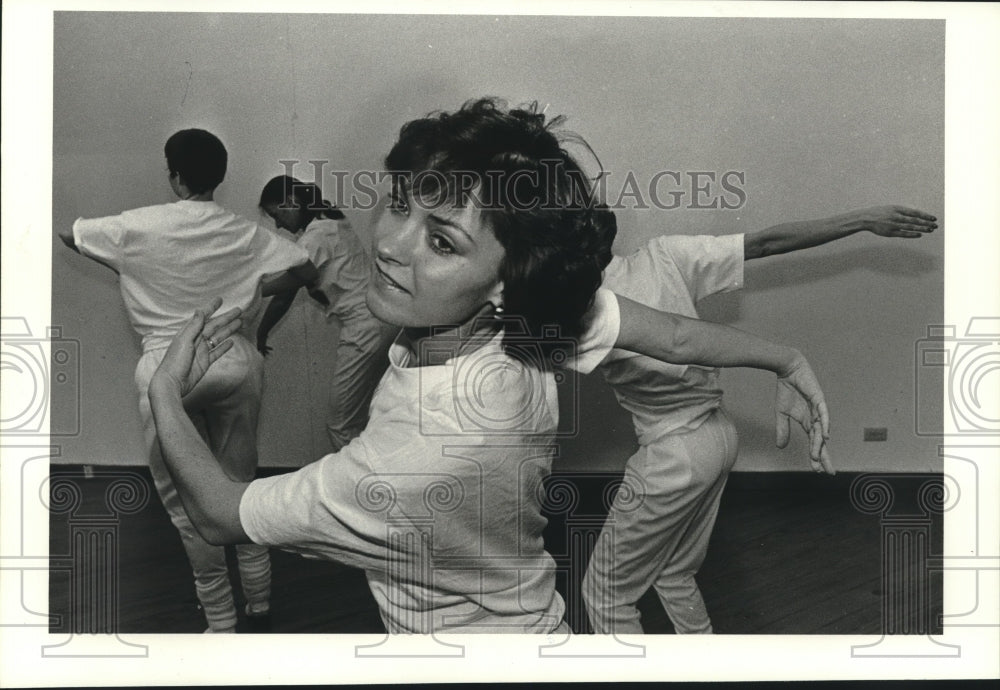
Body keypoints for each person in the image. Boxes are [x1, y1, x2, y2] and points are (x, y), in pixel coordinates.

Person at [145, 99, 830, 634]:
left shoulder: (412, 457)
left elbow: (220, 513)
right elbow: (675, 337)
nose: (390, 244)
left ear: (503, 280)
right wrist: (786, 359)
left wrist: (166, 391)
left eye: (442, 242)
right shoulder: (531, 319)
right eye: (401, 204)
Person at [582, 205, 938, 635]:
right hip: (717, 437)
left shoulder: (581, 306)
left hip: (675, 455)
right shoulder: (665, 255)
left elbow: (677, 339)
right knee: (674, 572)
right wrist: (860, 220)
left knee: (605, 593)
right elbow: (767, 242)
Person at [58, 128, 322, 633]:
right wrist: (253, 287)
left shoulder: (138, 226)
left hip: (168, 367)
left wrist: (129, 268)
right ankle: (260, 601)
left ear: (175, 177)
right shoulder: (244, 231)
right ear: (219, 176)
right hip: (233, 357)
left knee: (188, 504)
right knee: (240, 485)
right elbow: (307, 269)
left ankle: (221, 621)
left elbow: (71, 235)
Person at [257, 176, 397, 451]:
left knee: (340, 424)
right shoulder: (332, 220)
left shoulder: (316, 236)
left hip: (364, 327)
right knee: (368, 415)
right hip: (382, 321)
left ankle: (359, 478)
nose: (278, 225)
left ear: (292, 203)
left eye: (277, 215)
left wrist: (254, 291)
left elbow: (287, 291)